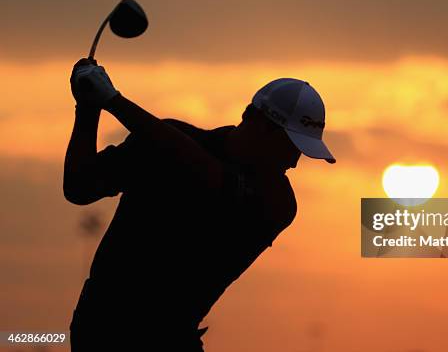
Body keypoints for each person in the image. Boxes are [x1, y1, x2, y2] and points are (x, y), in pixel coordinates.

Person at [64, 58, 335, 351]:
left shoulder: (277, 203)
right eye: (289, 146)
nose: (294, 162)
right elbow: (80, 187)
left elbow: (204, 174)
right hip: (99, 330)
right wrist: (88, 107)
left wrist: (113, 101)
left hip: (169, 338)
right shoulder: (162, 140)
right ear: (252, 119)